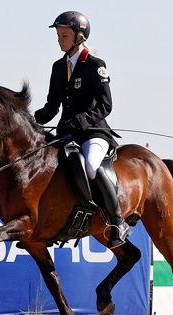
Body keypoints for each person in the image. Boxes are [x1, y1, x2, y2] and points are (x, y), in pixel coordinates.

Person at [34, 11, 131, 249]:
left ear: (79, 36)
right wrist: (36, 117)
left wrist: (80, 121)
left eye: (64, 35)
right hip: (67, 133)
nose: (60, 40)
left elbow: (105, 105)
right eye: (58, 35)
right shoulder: (58, 67)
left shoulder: (95, 66)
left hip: (93, 133)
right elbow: (52, 105)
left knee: (90, 165)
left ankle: (118, 221)